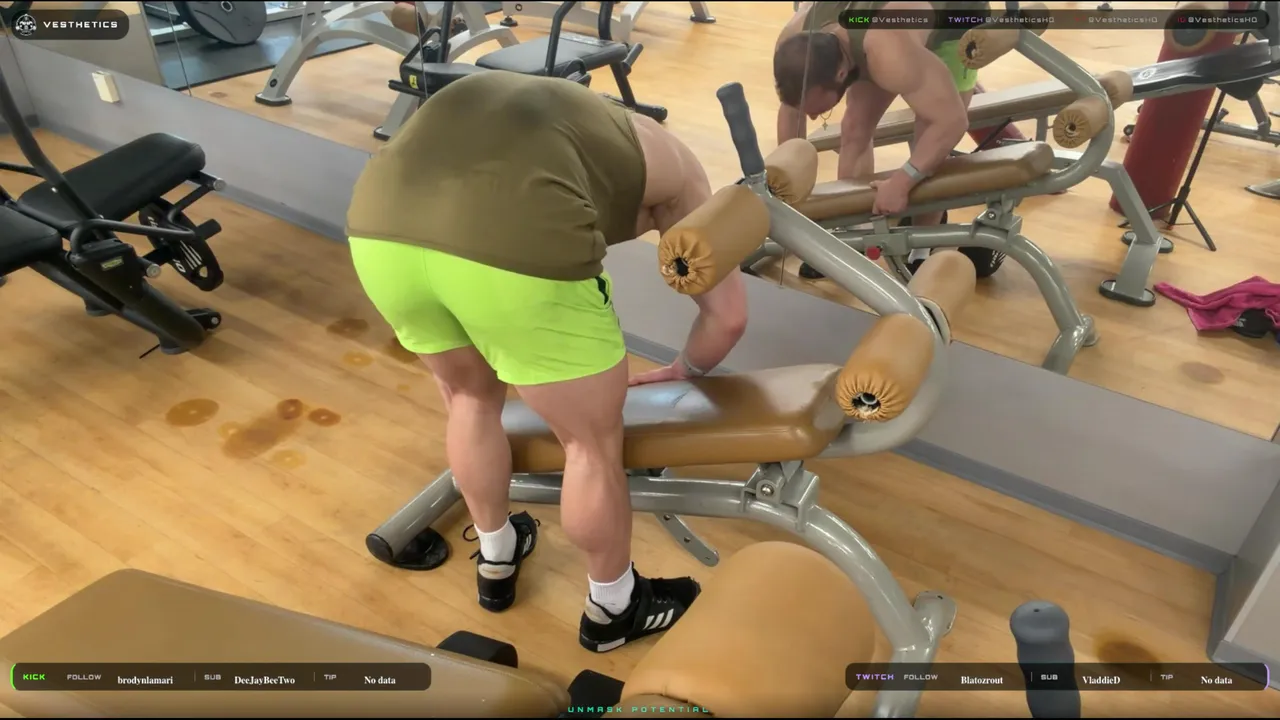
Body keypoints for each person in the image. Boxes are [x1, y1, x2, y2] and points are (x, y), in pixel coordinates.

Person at [345, 71, 748, 653]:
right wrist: (685, 369)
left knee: (469, 401)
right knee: (589, 447)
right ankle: (614, 608)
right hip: (514, 239)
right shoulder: (679, 167)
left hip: (379, 233)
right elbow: (727, 317)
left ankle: (497, 555)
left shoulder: (563, 119)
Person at [774, 1, 1024, 270]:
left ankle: (922, 248)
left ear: (841, 72)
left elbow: (951, 122)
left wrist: (903, 182)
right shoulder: (796, 37)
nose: (812, 118)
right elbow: (791, 111)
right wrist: (788, 190)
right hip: (879, 24)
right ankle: (852, 235)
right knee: (855, 127)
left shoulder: (888, 49)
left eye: (815, 110)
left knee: (929, 130)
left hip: (954, 18)